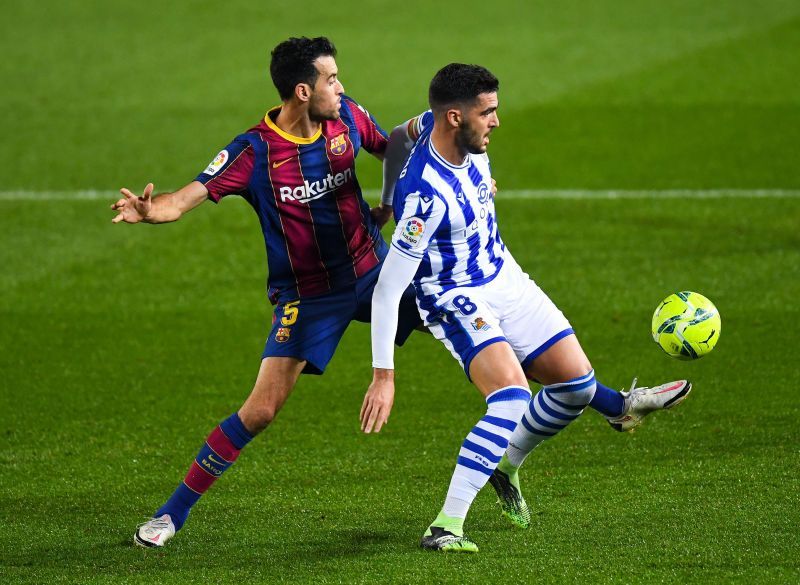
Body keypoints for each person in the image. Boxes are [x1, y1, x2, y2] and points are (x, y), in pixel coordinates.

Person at [360, 63, 691, 553]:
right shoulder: (426, 198)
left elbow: (394, 137)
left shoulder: (432, 124)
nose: (496, 121)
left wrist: (383, 202)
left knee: (576, 387)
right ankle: (446, 525)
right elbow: (389, 290)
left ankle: (509, 461)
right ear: (456, 117)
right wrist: (383, 375)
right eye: (487, 112)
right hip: (455, 294)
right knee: (511, 396)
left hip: (503, 273)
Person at [112, 36, 423, 548]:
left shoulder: (346, 118)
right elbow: (184, 198)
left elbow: (396, 152)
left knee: (468, 318)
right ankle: (170, 516)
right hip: (310, 297)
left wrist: (401, 200)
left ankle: (586, 395)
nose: (341, 87)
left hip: (375, 269)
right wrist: (151, 210)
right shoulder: (254, 151)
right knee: (259, 411)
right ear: (302, 90)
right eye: (331, 79)